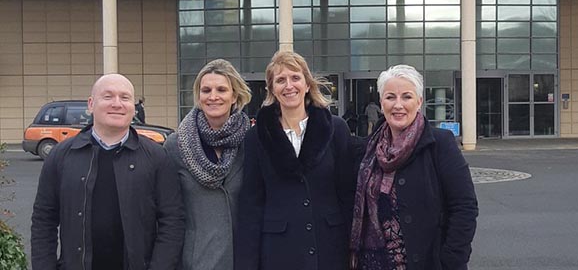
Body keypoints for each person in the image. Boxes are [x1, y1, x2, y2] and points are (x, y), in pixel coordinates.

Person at [31, 73, 184, 270]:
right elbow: (44, 220)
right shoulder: (61, 156)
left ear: (133, 107)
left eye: (125, 97)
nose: (117, 104)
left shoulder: (156, 157)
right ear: (91, 104)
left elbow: (172, 220)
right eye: (108, 96)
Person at [235, 50, 356, 270]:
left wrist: (353, 248)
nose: (289, 85)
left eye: (295, 78)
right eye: (280, 80)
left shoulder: (336, 129)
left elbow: (347, 194)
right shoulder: (257, 136)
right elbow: (251, 204)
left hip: (330, 248)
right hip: (278, 251)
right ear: (271, 89)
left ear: (307, 84)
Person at [350, 65, 478, 270]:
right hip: (373, 264)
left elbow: (464, 207)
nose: (398, 105)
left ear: (419, 102)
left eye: (406, 97)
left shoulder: (440, 143)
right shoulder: (367, 150)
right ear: (381, 103)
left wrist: (451, 260)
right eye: (390, 97)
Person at [165, 59, 252, 270]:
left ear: (234, 96)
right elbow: (167, 212)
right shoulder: (175, 146)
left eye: (221, 89)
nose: (213, 96)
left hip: (244, 258)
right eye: (206, 90)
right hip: (197, 260)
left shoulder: (251, 142)